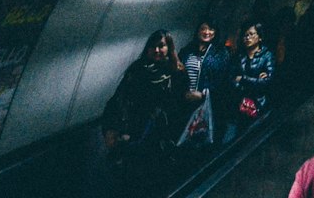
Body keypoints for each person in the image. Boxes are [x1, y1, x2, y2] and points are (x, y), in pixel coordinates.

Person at [101, 30, 192, 170]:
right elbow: (119, 99)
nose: (157, 50)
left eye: (161, 46)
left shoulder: (176, 72)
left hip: (163, 134)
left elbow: (181, 103)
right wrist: (110, 128)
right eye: (153, 46)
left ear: (169, 48)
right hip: (135, 130)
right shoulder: (137, 70)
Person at [181, 22, 238, 146]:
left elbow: (225, 83)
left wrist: (204, 94)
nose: (207, 32)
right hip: (186, 103)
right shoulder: (187, 51)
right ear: (197, 31)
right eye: (203, 29)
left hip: (209, 105)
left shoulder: (221, 53)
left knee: (203, 140)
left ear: (215, 32)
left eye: (211, 29)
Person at [235, 20, 276, 122]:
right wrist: (256, 80)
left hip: (259, 104)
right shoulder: (239, 56)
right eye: (245, 35)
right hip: (239, 103)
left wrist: (243, 79)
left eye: (251, 34)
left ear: (260, 37)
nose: (248, 38)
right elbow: (231, 78)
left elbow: (267, 82)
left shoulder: (267, 56)